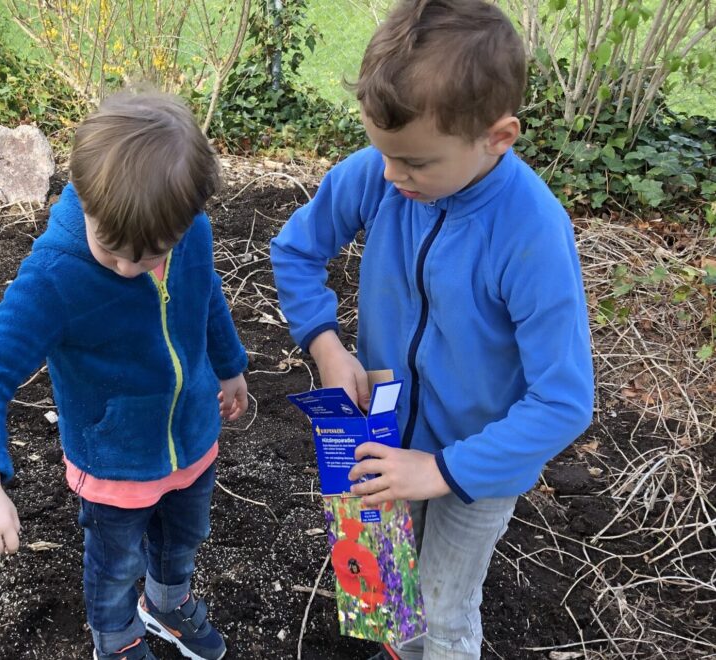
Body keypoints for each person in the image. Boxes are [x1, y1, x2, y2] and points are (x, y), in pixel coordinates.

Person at [270, 1, 594, 658]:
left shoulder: (530, 231)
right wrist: (327, 347)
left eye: (415, 162)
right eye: (383, 152)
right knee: (384, 585)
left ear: (498, 138)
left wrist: (442, 469)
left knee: (444, 612)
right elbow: (295, 250)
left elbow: (563, 400)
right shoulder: (381, 174)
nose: (392, 176)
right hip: (380, 433)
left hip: (480, 462)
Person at [0, 91, 249, 660]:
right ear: (83, 197)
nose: (132, 268)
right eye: (113, 251)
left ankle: (166, 605)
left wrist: (229, 367)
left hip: (192, 437)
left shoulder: (191, 235)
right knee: (114, 565)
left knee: (182, 539)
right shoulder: (56, 279)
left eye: (153, 254)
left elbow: (206, 298)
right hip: (113, 461)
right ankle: (115, 639)